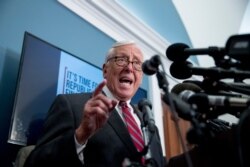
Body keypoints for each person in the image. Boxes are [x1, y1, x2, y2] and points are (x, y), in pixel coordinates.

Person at [24, 41, 166, 167]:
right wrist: (80, 135)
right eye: (121, 60)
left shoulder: (150, 125)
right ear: (105, 70)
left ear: (141, 77)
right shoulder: (71, 105)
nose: (130, 68)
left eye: (137, 63)